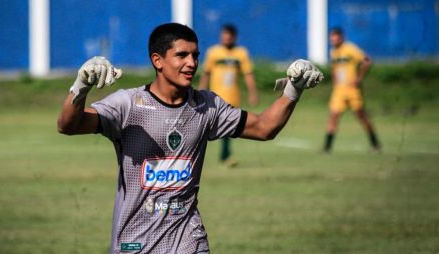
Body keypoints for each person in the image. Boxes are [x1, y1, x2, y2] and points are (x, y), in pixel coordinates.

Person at [57, 23, 323, 254]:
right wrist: (81, 86)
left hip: (189, 240)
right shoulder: (129, 105)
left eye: (195, 55)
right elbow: (68, 125)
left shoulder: (207, 106)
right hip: (134, 242)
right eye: (181, 55)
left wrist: (294, 88)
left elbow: (265, 128)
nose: (192, 63)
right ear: (157, 60)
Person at [199, 24, 258, 167]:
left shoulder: (241, 53)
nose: (225, 38)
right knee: (206, 127)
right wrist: (201, 90)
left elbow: (248, 74)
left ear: (234, 37)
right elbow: (206, 73)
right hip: (214, 98)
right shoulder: (213, 52)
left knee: (227, 128)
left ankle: (225, 156)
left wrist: (253, 93)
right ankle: (221, 156)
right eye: (223, 35)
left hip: (232, 97)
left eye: (228, 36)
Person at [323, 27, 381, 153]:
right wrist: (334, 81)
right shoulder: (333, 52)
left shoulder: (350, 49)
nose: (333, 41)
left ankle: (375, 144)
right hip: (339, 90)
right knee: (333, 116)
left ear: (341, 37)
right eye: (331, 39)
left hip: (352, 90)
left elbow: (367, 61)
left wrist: (359, 78)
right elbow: (334, 69)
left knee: (361, 116)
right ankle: (327, 147)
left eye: (335, 38)